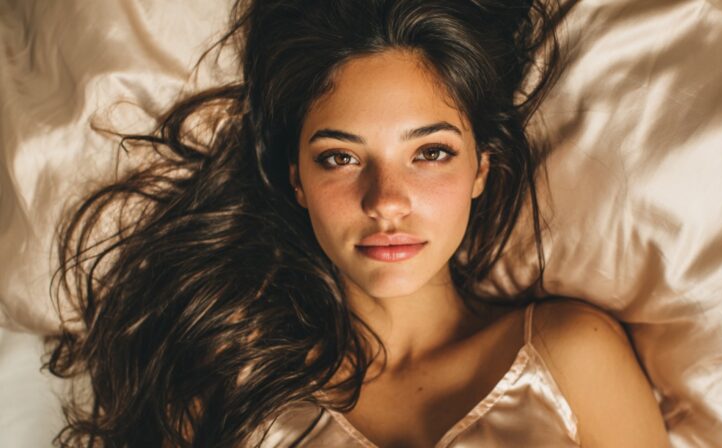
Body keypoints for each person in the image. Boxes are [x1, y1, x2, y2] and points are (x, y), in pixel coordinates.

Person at [46, 0, 669, 446]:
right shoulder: (227, 393)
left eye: (430, 153)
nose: (386, 200)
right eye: (341, 158)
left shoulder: (569, 356)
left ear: (481, 168)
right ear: (299, 180)